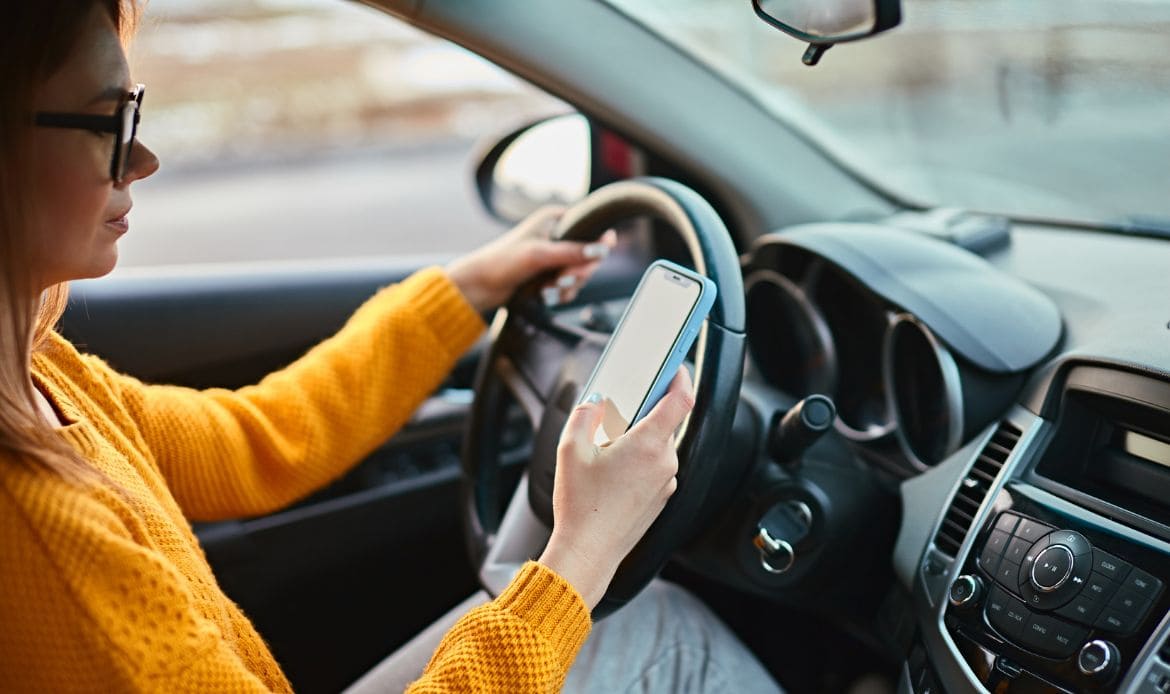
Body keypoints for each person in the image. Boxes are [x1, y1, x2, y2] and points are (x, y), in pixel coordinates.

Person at [0, 1, 783, 692]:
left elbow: (262, 439)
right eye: (110, 123)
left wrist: (467, 289)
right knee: (670, 641)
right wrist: (582, 550)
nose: (142, 159)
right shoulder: (52, 545)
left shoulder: (43, 376)